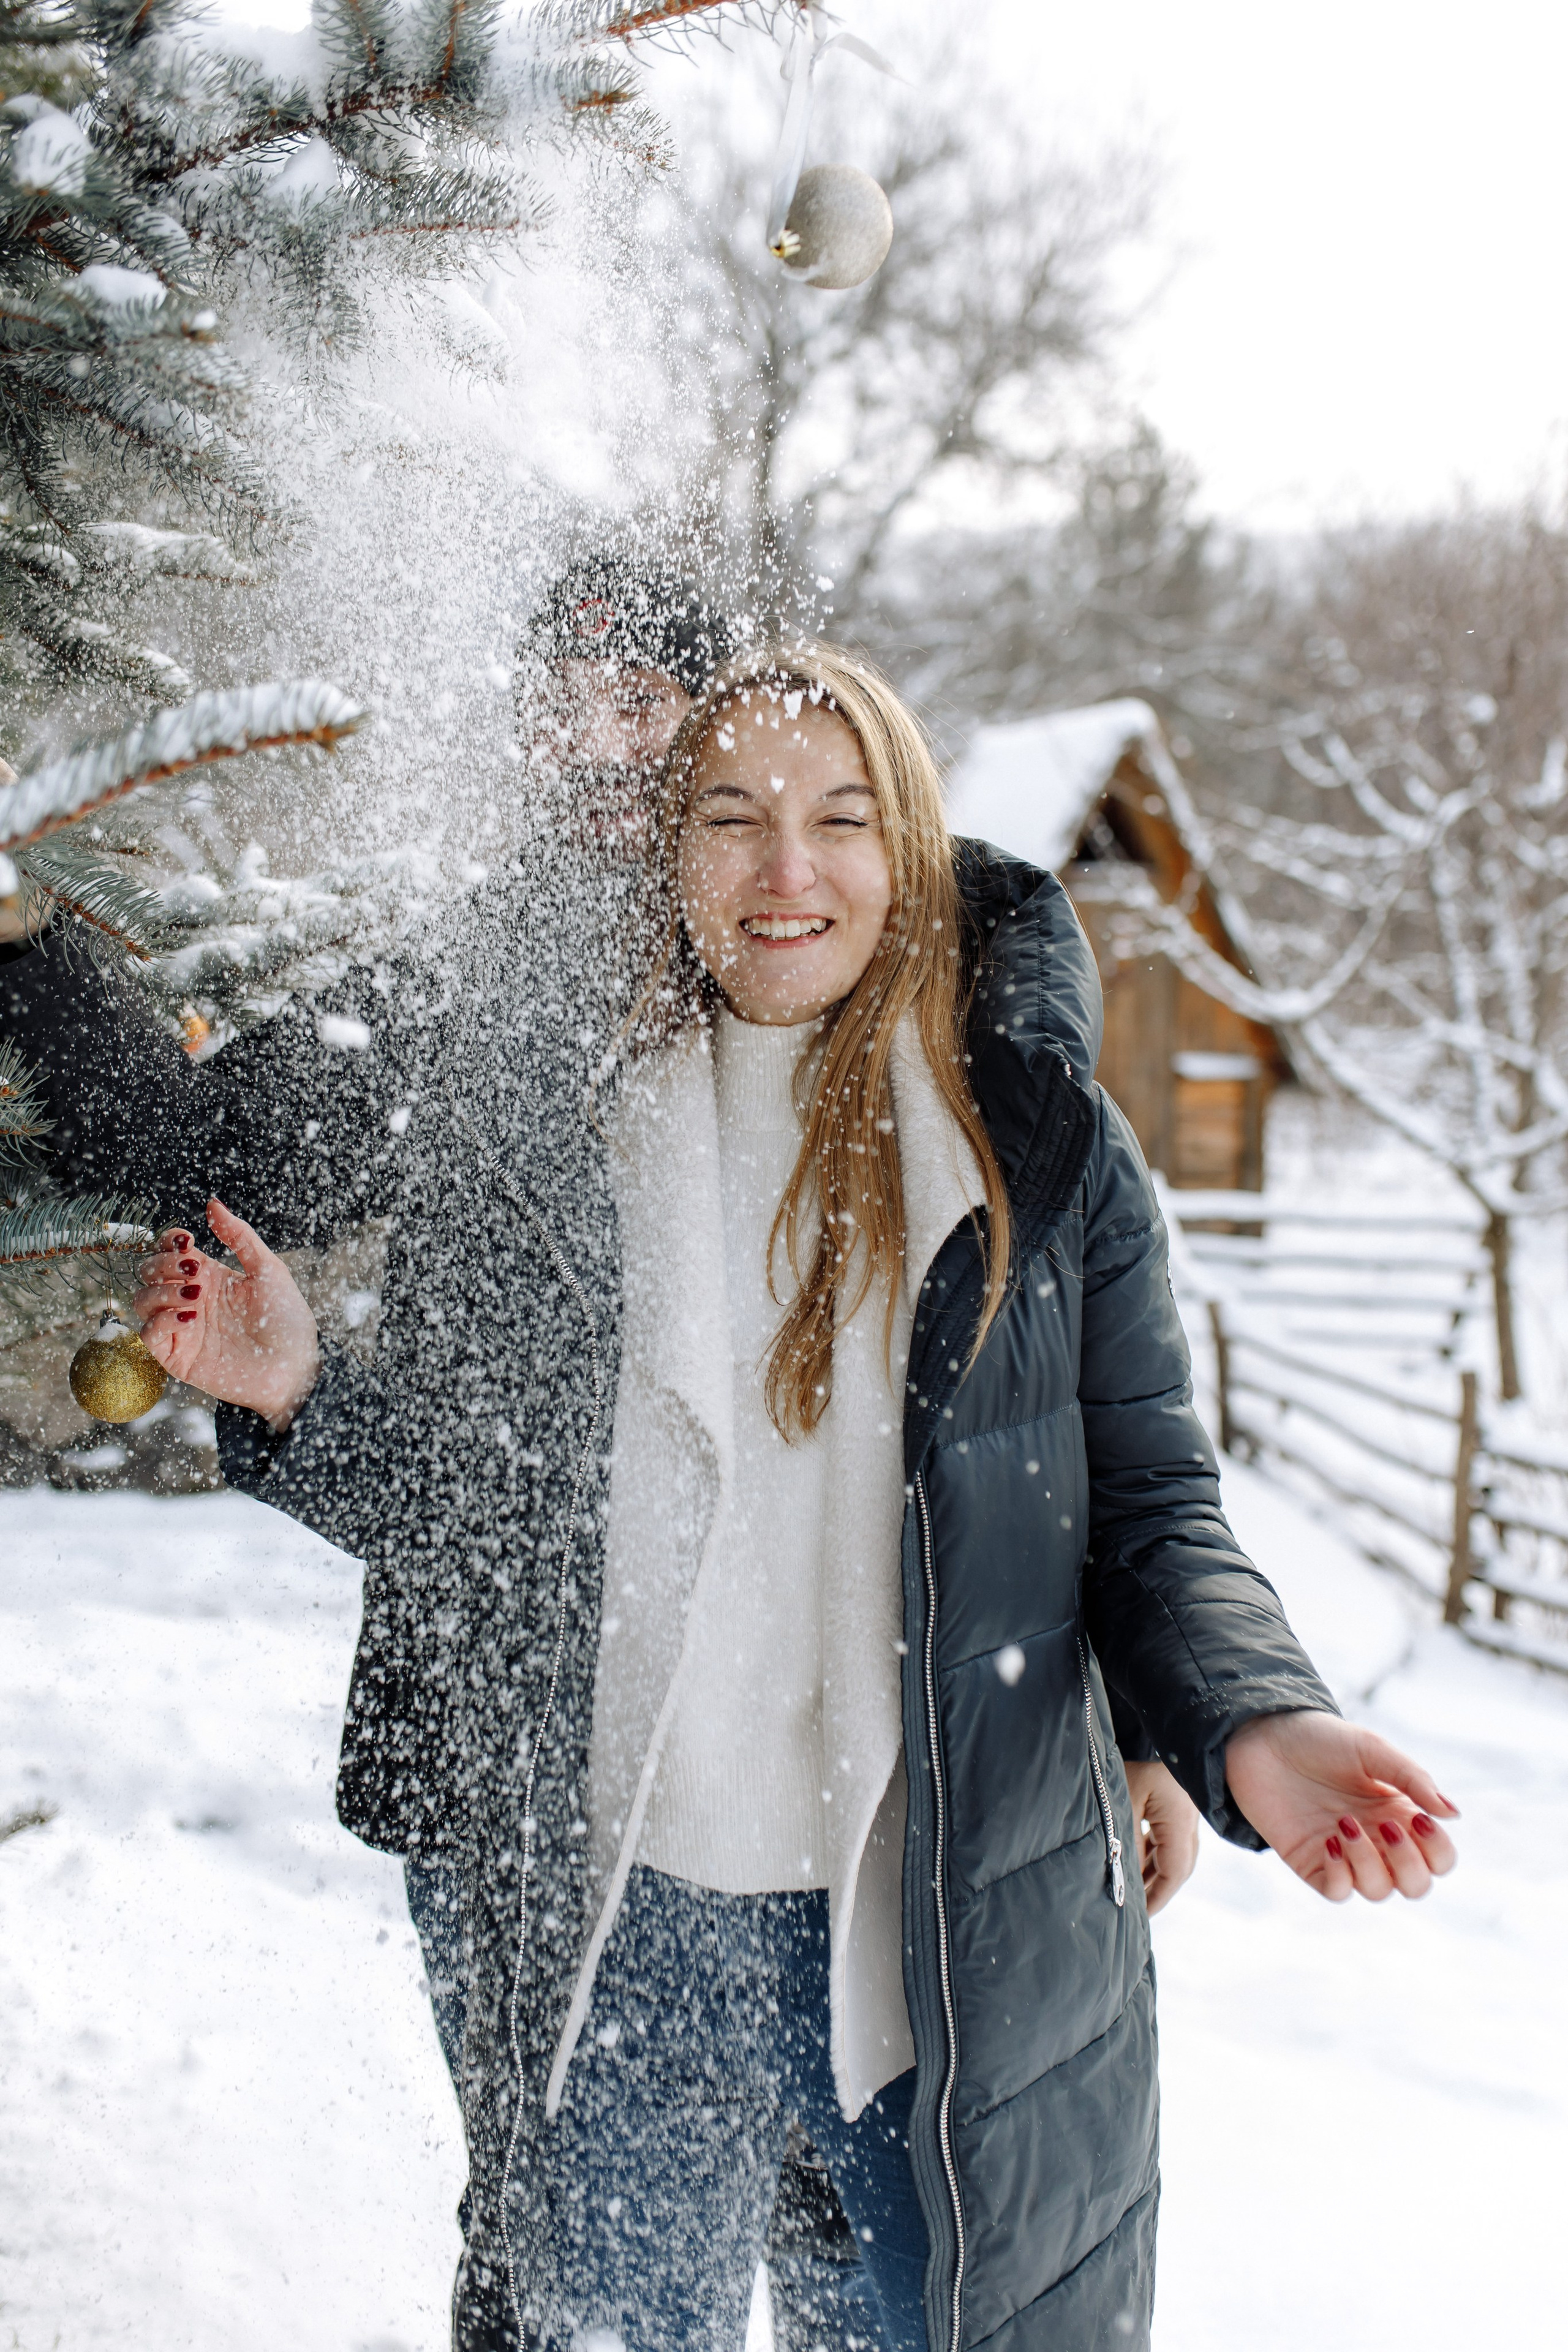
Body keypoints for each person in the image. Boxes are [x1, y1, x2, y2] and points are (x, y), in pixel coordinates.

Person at [133, 643, 1458, 2352]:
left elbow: (1143, 1508)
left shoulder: (1030, 1148)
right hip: (628, 1942)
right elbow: (486, 1524)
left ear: (908, 847)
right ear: (668, 854)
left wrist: (1249, 1724)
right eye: (733, 817)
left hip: (934, 1949)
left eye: (841, 817)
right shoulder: (559, 1135)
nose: (786, 870)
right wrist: (298, 1392)